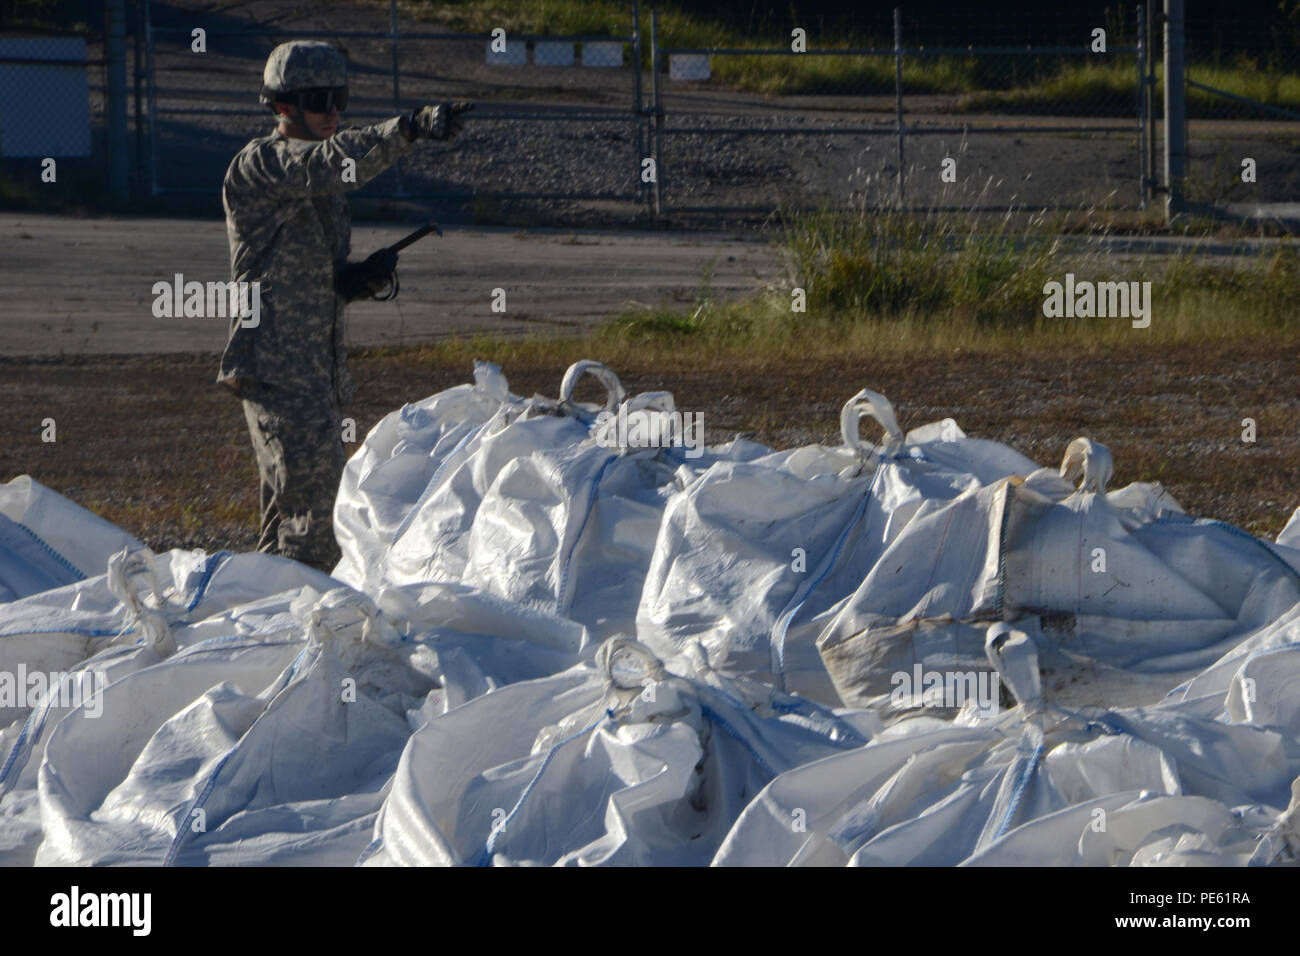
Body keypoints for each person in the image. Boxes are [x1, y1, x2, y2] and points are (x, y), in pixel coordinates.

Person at [218, 40, 469, 572]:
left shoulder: (319, 180)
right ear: (283, 105)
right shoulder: (263, 164)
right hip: (279, 373)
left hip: (313, 370)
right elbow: (330, 164)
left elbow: (301, 270)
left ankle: (262, 632)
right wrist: (409, 128)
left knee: (287, 520)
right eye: (320, 99)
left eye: (341, 99)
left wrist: (351, 281)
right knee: (316, 527)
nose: (334, 111)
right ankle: (303, 635)